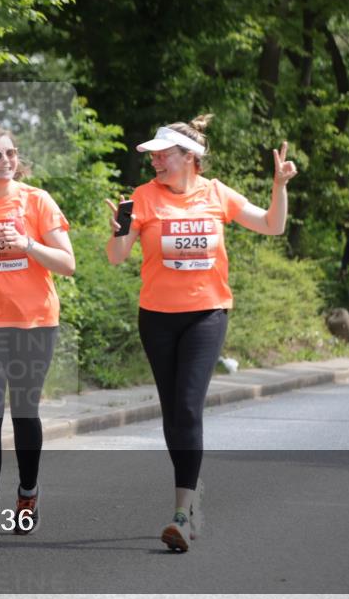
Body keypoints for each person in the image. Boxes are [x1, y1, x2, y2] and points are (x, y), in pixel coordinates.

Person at [104, 114, 298, 552]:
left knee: (189, 408)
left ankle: (181, 511)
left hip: (206, 315)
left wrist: (279, 187)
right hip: (156, 317)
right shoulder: (143, 197)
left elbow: (272, 225)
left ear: (189, 157)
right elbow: (117, 257)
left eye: (163, 154)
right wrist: (119, 231)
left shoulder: (216, 194)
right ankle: (191, 492)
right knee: (173, 413)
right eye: (153, 155)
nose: (155, 161)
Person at [0, 125, 75, 545]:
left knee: (24, 411)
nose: (6, 161)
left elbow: (67, 263)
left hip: (33, 321)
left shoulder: (37, 201)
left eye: (10, 153)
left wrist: (27, 245)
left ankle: (27, 495)